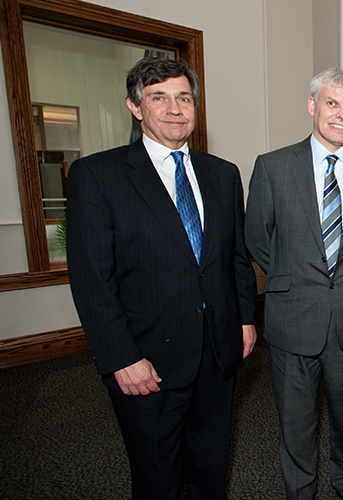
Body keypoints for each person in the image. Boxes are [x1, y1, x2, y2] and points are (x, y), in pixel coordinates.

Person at [67, 56, 258, 499]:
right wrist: (120, 358)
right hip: (146, 362)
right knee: (157, 476)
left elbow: (234, 258)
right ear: (136, 107)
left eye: (184, 97)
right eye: (159, 97)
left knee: (211, 467)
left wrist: (245, 318)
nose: (175, 108)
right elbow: (92, 280)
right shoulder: (97, 175)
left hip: (217, 352)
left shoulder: (223, 174)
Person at [244, 68, 343, 500]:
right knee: (295, 421)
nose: (342, 115)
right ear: (312, 106)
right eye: (332, 104)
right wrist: (295, 277)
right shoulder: (272, 167)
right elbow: (257, 235)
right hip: (293, 318)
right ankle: (300, 491)